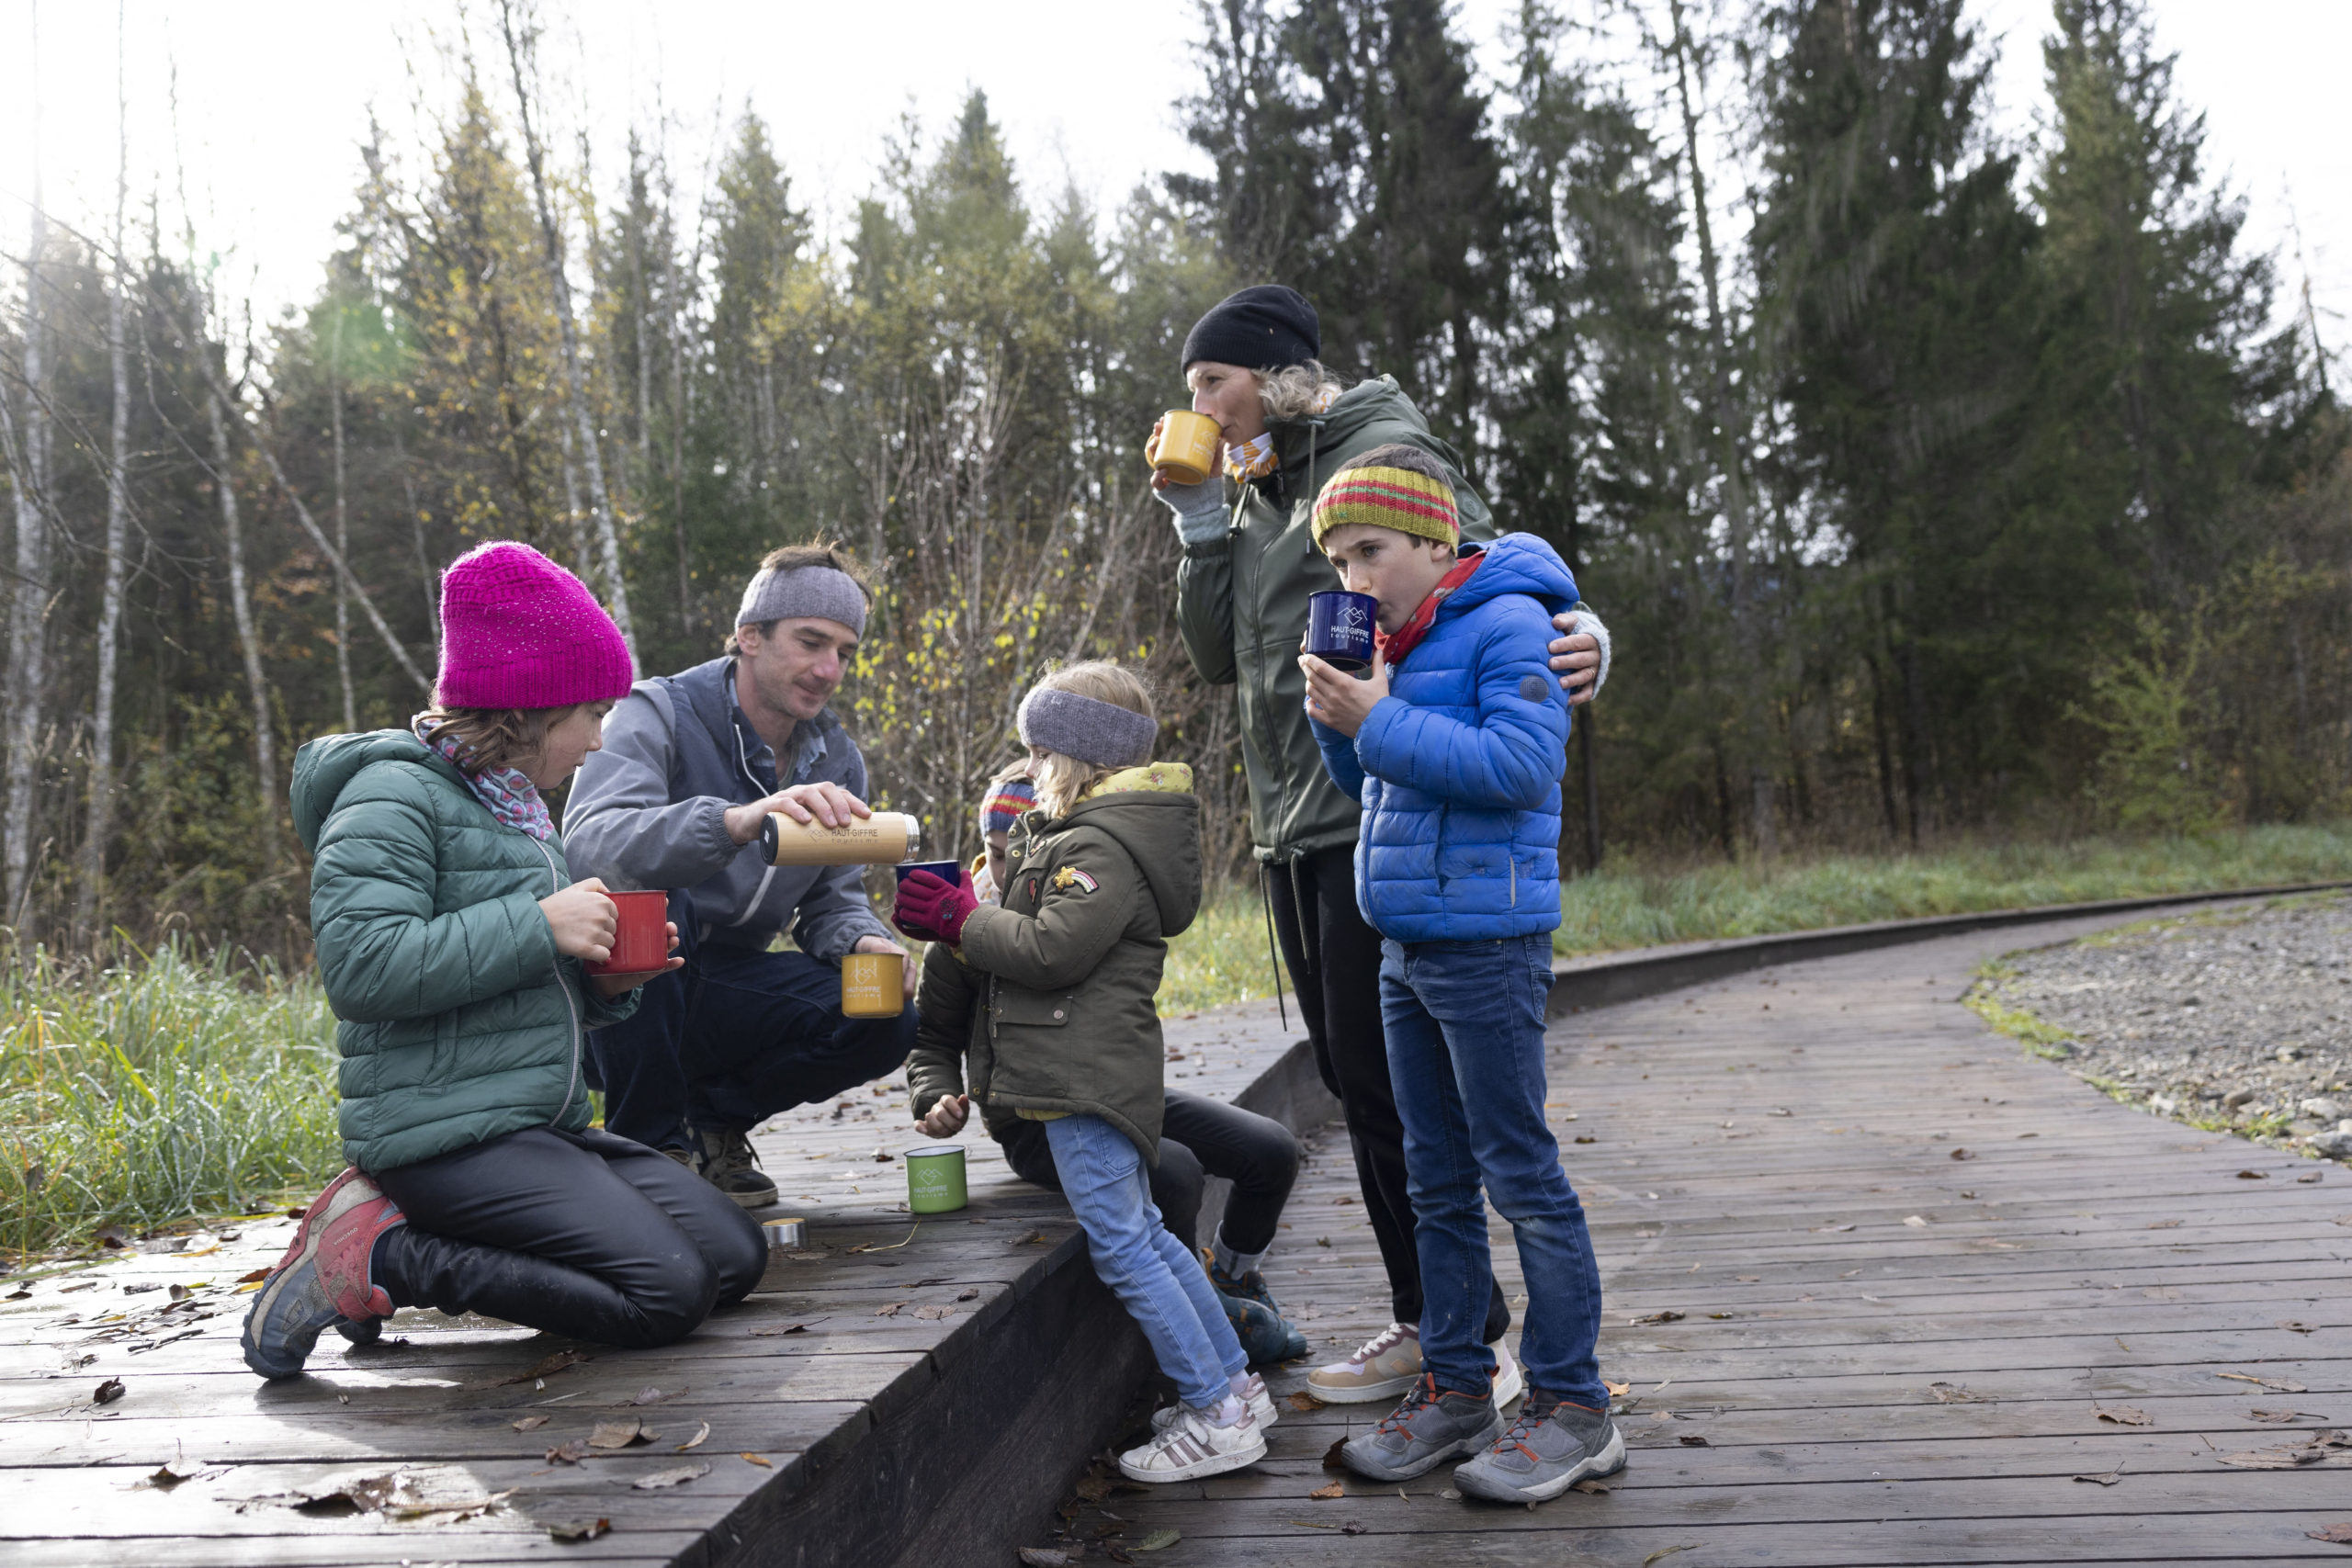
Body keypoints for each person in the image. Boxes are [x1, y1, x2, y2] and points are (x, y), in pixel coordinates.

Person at [1158, 284, 1611, 1404]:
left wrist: (1592, 631)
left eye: (1211, 381)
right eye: (1193, 393)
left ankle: (1446, 1331)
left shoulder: (1381, 448)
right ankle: (1444, 1326)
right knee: (1362, 1085)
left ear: (1267, 372)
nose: (1200, 406)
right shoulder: (1260, 490)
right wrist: (1200, 523)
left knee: (1390, 1094)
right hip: (1300, 817)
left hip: (1382, 817)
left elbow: (1493, 572)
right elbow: (1219, 659)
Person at [243, 542, 766, 1381]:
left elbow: (517, 983)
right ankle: (382, 1256)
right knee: (666, 1294)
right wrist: (537, 924)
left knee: (735, 1258)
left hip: (533, 1122)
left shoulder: (517, 809)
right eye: (591, 714)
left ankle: (398, 1238)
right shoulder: (390, 796)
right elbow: (364, 970)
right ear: (527, 707)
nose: (601, 740)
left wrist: (608, 983)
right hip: (440, 1135)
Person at [1300, 447, 1622, 1502]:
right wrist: (1341, 716)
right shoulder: (1402, 637)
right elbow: (1373, 783)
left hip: (1488, 942)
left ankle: (1574, 1405)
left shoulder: (1509, 624)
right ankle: (1455, 1389)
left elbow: (1519, 769)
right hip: (1404, 941)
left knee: (1518, 1172)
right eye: (1338, 562)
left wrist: (1379, 717)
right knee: (1435, 1180)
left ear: (1436, 541)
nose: (1354, 580)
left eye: (1371, 553)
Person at [893, 662, 1271, 1483]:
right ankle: (1236, 1383)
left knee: (1125, 1247)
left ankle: (1215, 1409)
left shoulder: (1098, 845)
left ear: (1075, 755)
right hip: (1076, 1070)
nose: (1027, 768)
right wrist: (960, 911)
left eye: (1036, 752)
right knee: (1152, 1237)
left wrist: (963, 917)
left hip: (1081, 1077)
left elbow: (1053, 951)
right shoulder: (1079, 838)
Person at [906, 766, 1308, 1365]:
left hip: (1113, 1091)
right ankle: (1212, 1322)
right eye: (994, 854)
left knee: (1270, 1149)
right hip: (1033, 1119)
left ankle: (1228, 1282)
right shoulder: (962, 927)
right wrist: (934, 1097)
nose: (1005, 869)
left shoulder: (1081, 900)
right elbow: (932, 1041)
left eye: (1020, 854)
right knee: (1174, 1170)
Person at [561, 542, 917, 1209]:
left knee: (886, 1011)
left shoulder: (836, 759)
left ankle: (713, 1121)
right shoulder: (654, 712)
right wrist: (736, 821)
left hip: (726, 983)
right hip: (612, 996)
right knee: (651, 899)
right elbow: (589, 848)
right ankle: (651, 1147)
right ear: (749, 636)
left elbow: (833, 903)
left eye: (844, 651)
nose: (828, 668)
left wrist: (867, 943)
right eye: (811, 642)